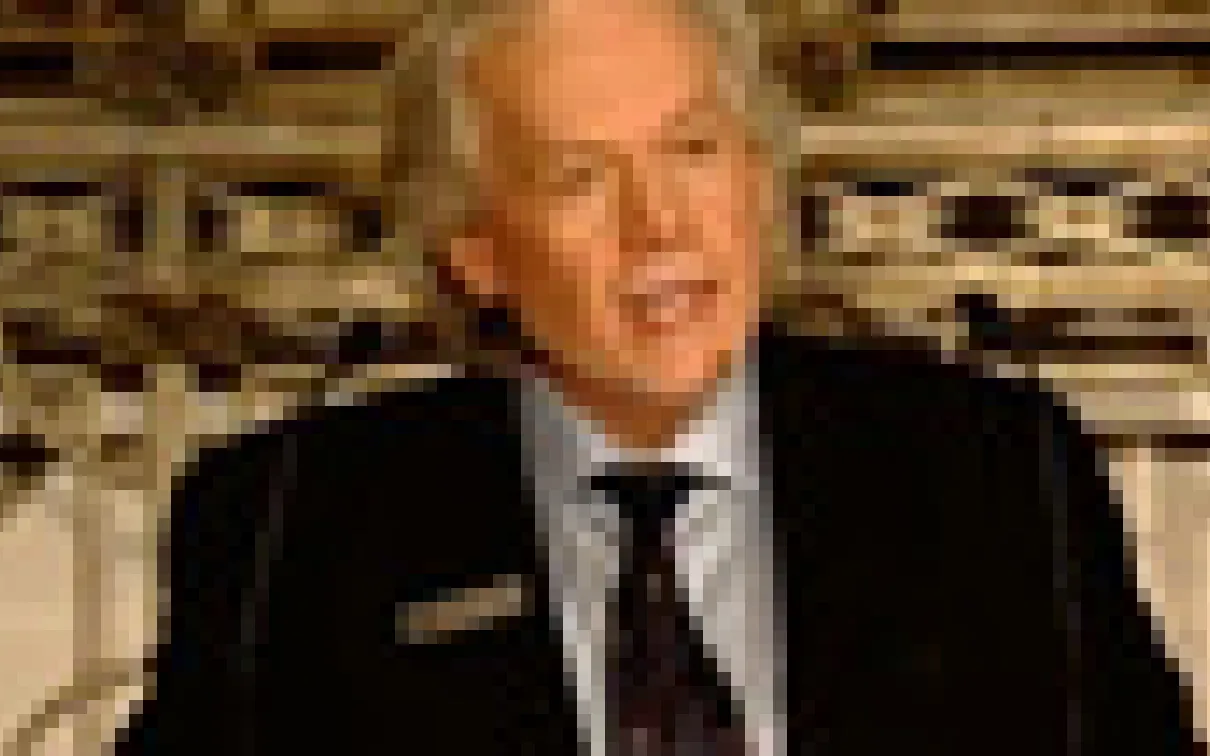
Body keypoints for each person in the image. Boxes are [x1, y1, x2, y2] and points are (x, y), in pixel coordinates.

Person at [115, 0, 1202, 754]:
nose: (660, 226)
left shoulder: (1002, 477)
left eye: (693, 151)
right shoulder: (288, 529)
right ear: (476, 249)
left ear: (758, 181)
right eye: (579, 178)